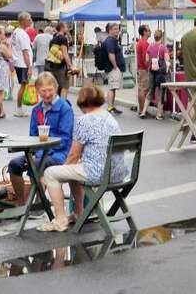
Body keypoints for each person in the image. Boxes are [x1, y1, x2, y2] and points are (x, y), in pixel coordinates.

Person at [38, 85, 123, 232]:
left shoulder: (84, 121)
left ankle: (60, 220)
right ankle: (78, 212)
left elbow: (73, 156)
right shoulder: (109, 117)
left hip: (98, 173)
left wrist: (61, 172)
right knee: (74, 170)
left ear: (82, 103)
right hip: (118, 172)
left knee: (50, 174)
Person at [7, 72, 74, 205]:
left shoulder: (64, 108)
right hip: (39, 153)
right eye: (43, 91)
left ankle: (40, 201)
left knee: (35, 165)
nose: (47, 94)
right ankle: (21, 202)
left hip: (59, 154)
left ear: (55, 88)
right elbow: (32, 136)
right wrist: (32, 153)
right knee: (14, 164)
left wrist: (40, 154)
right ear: (37, 91)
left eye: (50, 90)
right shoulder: (36, 110)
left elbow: (65, 140)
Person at [99, 23, 124, 114]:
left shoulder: (112, 40)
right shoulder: (110, 41)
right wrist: (115, 66)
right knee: (112, 87)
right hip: (112, 68)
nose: (117, 30)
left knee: (113, 88)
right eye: (115, 29)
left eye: (118, 29)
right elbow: (111, 54)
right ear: (110, 30)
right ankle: (109, 107)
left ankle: (112, 106)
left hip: (112, 68)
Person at [9, 22, 33, 116]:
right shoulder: (22, 34)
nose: (31, 20)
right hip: (22, 63)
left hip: (18, 61)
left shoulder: (16, 32)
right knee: (23, 85)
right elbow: (25, 51)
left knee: (23, 85)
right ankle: (19, 109)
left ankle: (19, 108)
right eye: (29, 19)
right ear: (25, 21)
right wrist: (29, 67)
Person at [45, 22, 73, 98]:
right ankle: (62, 105)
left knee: (55, 86)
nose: (67, 28)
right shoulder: (63, 38)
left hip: (52, 66)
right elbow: (65, 54)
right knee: (65, 86)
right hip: (61, 66)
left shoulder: (53, 39)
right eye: (66, 27)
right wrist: (70, 66)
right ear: (62, 28)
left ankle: (54, 103)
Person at [147, 30, 169, 118]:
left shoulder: (150, 46)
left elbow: (147, 59)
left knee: (150, 91)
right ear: (162, 37)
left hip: (152, 71)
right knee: (161, 92)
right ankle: (159, 114)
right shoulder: (163, 48)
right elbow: (167, 60)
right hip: (160, 72)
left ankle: (144, 111)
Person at [133, 25, 154, 118]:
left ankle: (142, 109)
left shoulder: (140, 42)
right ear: (144, 32)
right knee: (143, 89)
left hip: (141, 68)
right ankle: (142, 110)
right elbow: (145, 58)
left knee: (142, 89)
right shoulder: (144, 43)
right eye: (149, 30)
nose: (150, 32)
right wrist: (148, 67)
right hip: (144, 69)